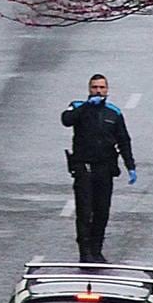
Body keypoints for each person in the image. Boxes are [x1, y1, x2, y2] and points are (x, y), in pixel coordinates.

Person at [61, 74, 136, 263]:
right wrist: (88, 106)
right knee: (85, 211)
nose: (98, 91)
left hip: (105, 168)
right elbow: (67, 120)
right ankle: (85, 251)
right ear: (89, 89)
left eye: (102, 87)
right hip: (84, 167)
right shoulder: (79, 107)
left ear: (107, 90)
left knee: (102, 211)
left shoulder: (113, 113)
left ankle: (97, 249)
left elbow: (123, 140)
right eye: (95, 87)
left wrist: (130, 166)